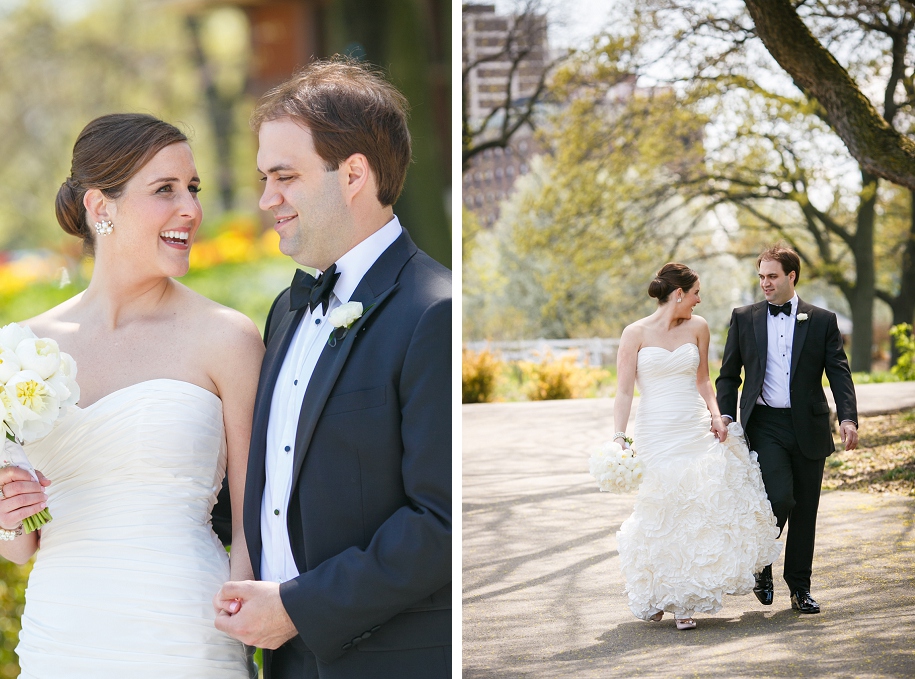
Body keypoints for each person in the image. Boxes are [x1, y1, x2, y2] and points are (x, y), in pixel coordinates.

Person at [0, 113, 263, 677]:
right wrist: (7, 515)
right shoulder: (18, 350)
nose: (190, 209)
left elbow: (254, 518)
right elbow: (22, 545)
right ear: (102, 208)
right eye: (164, 189)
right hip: (61, 635)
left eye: (191, 189)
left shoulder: (227, 338)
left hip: (185, 633)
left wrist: (244, 622)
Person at [212, 57, 451, 678]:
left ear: (352, 174)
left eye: (284, 177)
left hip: (392, 660)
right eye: (265, 178)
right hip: (286, 663)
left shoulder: (436, 312)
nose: (267, 200)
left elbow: (442, 522)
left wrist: (299, 608)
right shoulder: (285, 311)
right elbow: (275, 487)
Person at [613, 263, 781, 630]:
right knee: (661, 510)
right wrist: (619, 437)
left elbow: (705, 380)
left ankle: (682, 599)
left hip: (692, 426)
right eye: (695, 293)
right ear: (678, 294)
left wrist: (718, 416)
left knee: (695, 508)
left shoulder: (699, 327)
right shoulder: (634, 333)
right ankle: (657, 591)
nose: (699, 300)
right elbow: (624, 390)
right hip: (656, 430)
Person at [716, 244, 858, 614]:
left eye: (772, 276)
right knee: (779, 499)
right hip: (766, 425)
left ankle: (800, 589)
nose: (765, 283)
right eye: (761, 276)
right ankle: (762, 563)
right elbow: (729, 375)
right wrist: (726, 418)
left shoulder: (824, 320)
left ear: (791, 276)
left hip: (809, 426)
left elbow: (839, 372)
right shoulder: (744, 317)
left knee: (806, 511)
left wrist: (847, 417)